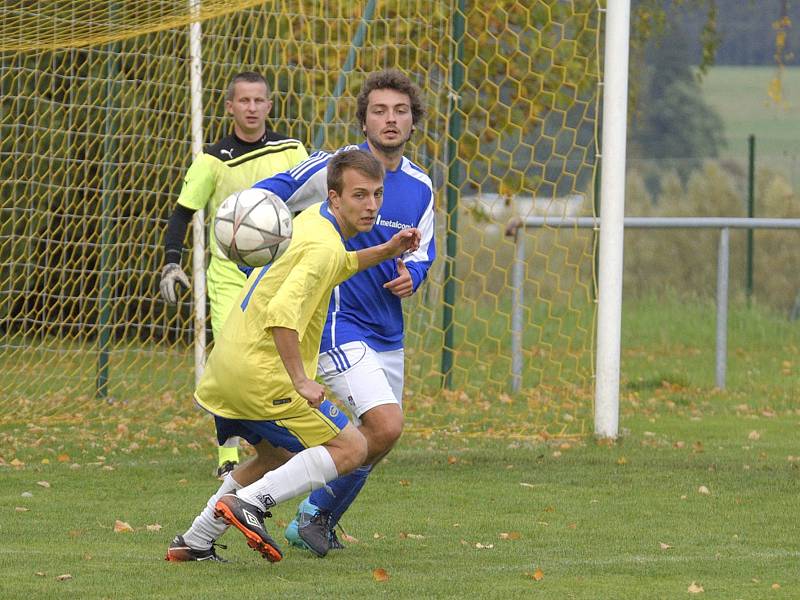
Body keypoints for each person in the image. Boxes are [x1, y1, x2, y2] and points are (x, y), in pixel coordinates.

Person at [252, 68, 436, 557]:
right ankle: (294, 508)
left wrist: (413, 274)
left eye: (400, 111)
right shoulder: (333, 166)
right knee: (383, 425)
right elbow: (273, 191)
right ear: (364, 120)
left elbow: (424, 250)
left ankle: (304, 515)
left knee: (380, 436)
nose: (390, 119)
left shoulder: (421, 186)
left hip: (387, 328)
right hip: (336, 322)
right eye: (379, 110)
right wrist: (248, 217)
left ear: (413, 121)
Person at [159, 71, 308, 479]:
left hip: (278, 274)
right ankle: (227, 456)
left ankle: (284, 440)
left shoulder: (292, 151)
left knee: (279, 358)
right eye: (244, 101)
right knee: (228, 363)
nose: (252, 108)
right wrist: (172, 262)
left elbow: (314, 202)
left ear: (269, 105)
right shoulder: (212, 160)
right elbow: (181, 215)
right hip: (228, 278)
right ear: (230, 107)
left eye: (259, 101)